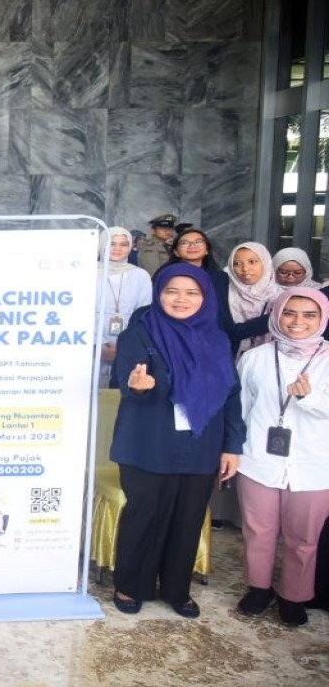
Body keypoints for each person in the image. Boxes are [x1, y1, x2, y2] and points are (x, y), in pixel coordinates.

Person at [109, 263, 243, 618]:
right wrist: (137, 387)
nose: (181, 299)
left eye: (192, 292)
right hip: (147, 441)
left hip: (202, 445)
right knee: (144, 514)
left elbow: (231, 396)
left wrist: (232, 446)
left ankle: (176, 588)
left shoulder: (216, 338)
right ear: (159, 293)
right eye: (172, 291)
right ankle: (131, 584)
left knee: (189, 517)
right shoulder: (139, 334)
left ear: (205, 297)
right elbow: (127, 379)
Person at [234, 287, 329, 627]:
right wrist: (231, 451)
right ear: (277, 315)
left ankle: (294, 595)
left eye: (309, 315)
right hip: (258, 460)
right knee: (258, 531)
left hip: (314, 466)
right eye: (290, 313)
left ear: (322, 319)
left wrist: (311, 399)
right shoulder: (256, 357)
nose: (297, 321)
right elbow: (241, 409)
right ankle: (259, 588)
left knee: (303, 539)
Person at [169, 228, 268, 355]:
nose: (192, 246)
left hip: (215, 343)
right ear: (176, 251)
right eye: (185, 243)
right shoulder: (165, 277)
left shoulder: (220, 277)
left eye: (198, 242)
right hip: (178, 340)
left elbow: (224, 318)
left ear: (207, 250)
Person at [97, 228, 153, 388]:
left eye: (123, 244)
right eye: (111, 243)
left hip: (128, 345)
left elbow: (143, 313)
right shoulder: (87, 273)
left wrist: (124, 345)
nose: (117, 248)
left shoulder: (140, 275)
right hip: (91, 345)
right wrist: (99, 345)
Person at [226, 242, 281, 354]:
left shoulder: (282, 298)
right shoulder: (223, 293)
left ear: (265, 262)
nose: (245, 268)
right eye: (237, 263)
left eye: (252, 262)